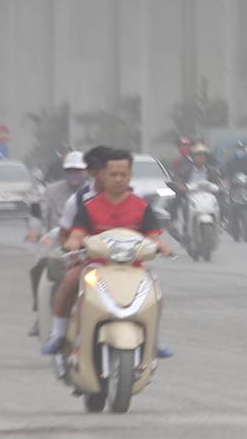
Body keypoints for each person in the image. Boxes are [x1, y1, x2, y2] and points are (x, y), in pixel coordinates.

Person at [42, 148, 178, 356]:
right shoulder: (86, 205)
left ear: (130, 175)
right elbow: (75, 232)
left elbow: (152, 236)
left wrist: (161, 246)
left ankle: (153, 339)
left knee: (154, 290)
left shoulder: (140, 204)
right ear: (101, 175)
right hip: (95, 265)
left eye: (123, 175)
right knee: (70, 280)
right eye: (112, 174)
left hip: (133, 266)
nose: (118, 179)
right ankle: (58, 334)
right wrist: (73, 243)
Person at [25, 150, 89, 336]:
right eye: (70, 171)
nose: (74, 175)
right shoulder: (51, 191)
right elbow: (39, 214)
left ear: (86, 172)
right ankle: (41, 316)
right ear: (64, 172)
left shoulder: (95, 191)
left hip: (89, 245)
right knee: (39, 269)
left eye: (78, 171)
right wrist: (34, 232)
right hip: (57, 244)